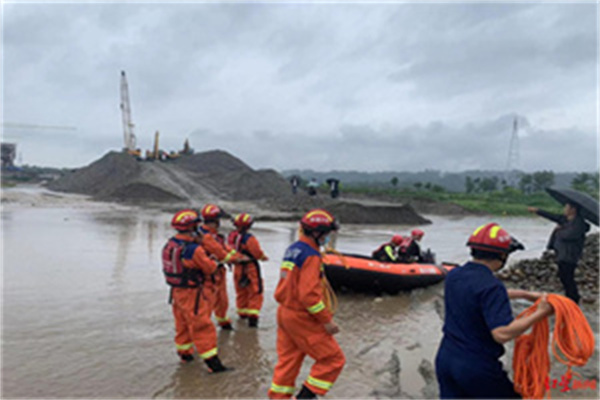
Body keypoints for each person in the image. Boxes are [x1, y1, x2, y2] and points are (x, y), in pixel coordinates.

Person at [435, 222, 554, 398]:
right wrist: (541, 312)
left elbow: (478, 294)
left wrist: (525, 294)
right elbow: (502, 333)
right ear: (502, 255)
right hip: (475, 365)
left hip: (445, 359)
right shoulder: (492, 286)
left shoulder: (455, 275)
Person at [268, 209, 345, 399]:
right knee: (333, 359)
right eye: (326, 233)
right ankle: (305, 397)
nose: (327, 238)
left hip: (285, 313)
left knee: (288, 362)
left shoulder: (293, 249)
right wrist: (326, 321)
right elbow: (308, 296)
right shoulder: (311, 255)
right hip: (302, 317)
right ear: (317, 233)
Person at [161, 209, 231, 372]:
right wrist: (214, 261)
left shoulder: (170, 244)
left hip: (176, 292)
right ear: (193, 227)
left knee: (182, 324)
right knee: (202, 326)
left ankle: (185, 355)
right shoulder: (193, 249)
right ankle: (213, 365)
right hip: (194, 294)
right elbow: (209, 268)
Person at [528, 204, 590, 304]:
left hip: (570, 255)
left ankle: (574, 298)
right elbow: (552, 216)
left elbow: (568, 235)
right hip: (562, 253)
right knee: (563, 276)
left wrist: (558, 229)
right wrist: (538, 211)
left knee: (567, 276)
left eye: (567, 208)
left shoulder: (579, 223)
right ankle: (571, 297)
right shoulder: (565, 219)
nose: (564, 210)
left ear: (573, 210)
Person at [199, 204, 247, 330]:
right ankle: (203, 331)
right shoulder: (206, 236)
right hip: (209, 274)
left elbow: (225, 249)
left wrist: (238, 255)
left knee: (221, 299)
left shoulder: (213, 235)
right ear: (215, 221)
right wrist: (237, 259)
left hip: (218, 272)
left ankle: (223, 322)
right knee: (208, 302)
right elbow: (221, 254)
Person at [228, 213, 269, 327]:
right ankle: (253, 319)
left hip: (237, 267)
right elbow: (256, 252)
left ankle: (242, 314)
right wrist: (263, 257)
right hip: (250, 268)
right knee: (255, 291)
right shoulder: (249, 238)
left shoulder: (232, 236)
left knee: (241, 291)